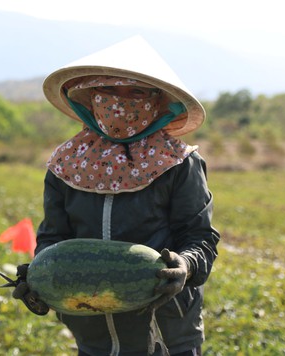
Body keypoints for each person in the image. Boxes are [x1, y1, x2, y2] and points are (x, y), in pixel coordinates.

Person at [12, 36, 221, 356]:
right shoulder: (66, 165)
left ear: (157, 101)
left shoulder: (179, 163)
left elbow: (200, 239)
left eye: (136, 92)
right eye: (109, 91)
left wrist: (185, 266)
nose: (121, 102)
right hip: (92, 332)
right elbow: (54, 238)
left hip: (165, 333)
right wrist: (42, 281)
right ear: (92, 97)